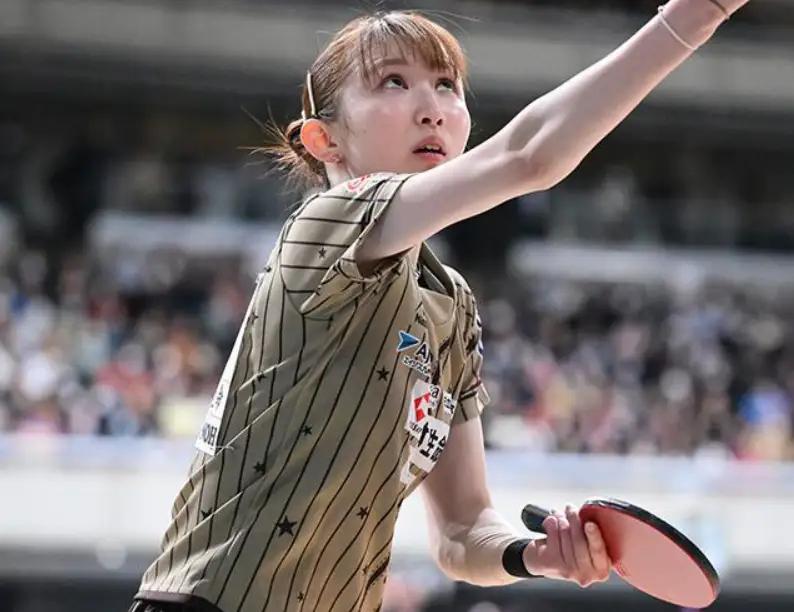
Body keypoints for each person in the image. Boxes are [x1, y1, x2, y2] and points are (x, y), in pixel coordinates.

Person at [129, 2, 747, 611]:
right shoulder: (325, 223)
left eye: (447, 85)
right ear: (324, 139)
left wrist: (537, 555)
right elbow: (529, 155)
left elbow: (463, 530)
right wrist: (691, 18)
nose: (432, 108)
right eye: (392, 83)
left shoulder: (450, 305)